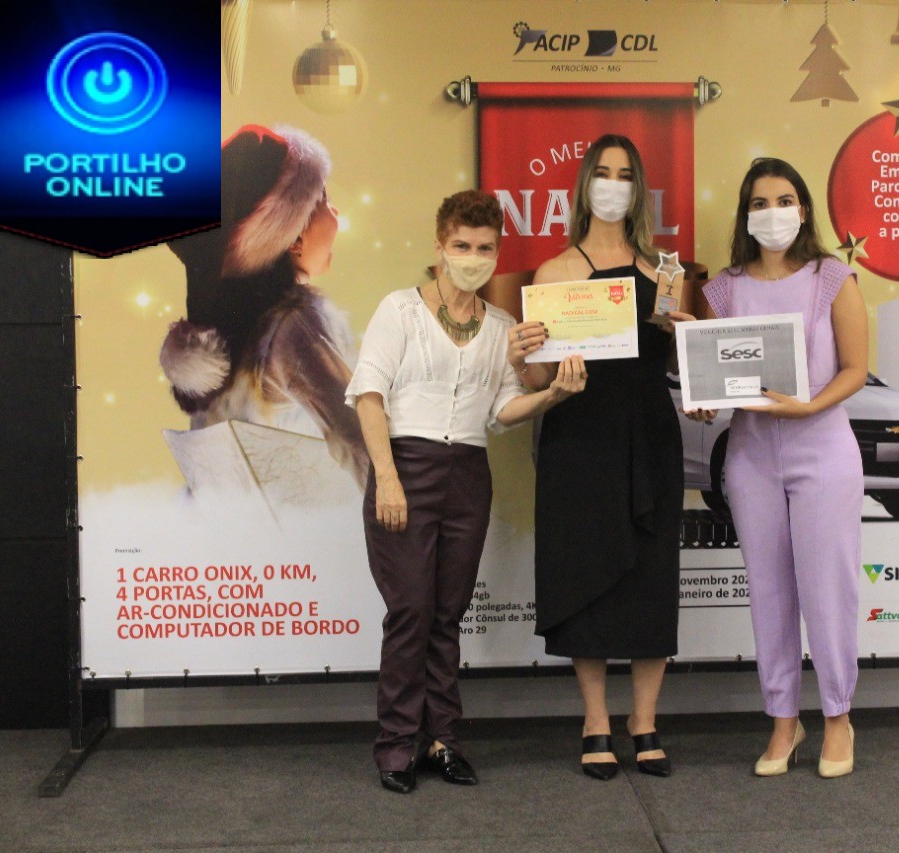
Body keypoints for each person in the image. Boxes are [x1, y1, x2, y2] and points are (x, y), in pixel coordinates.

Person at [346, 190, 587, 795]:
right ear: (439, 247)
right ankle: (397, 743)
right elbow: (369, 395)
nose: (473, 257)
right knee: (410, 612)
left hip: (468, 475)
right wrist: (388, 477)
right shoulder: (400, 310)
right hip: (405, 466)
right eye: (462, 245)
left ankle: (443, 740)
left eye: (484, 248)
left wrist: (553, 395)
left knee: (446, 615)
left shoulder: (502, 327)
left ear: (496, 252)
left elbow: (504, 410)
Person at [515, 134, 689, 780]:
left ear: (639, 190)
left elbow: (680, 368)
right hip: (579, 442)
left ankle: (644, 721)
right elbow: (538, 382)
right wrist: (523, 357)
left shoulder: (666, 272)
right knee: (583, 575)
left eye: (625, 174)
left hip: (651, 438)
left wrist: (688, 343)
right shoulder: (554, 273)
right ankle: (595, 721)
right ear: (584, 185)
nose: (613, 185)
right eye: (603, 173)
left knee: (651, 576)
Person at [690, 158, 868, 778]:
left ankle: (839, 716)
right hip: (752, 457)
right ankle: (783, 721)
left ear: (804, 208)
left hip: (824, 450)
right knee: (768, 591)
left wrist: (809, 405)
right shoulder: (723, 290)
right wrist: (703, 396)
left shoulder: (832, 278)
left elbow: (855, 368)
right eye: (760, 203)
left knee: (828, 588)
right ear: (745, 215)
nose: (773, 213)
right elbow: (717, 376)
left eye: (784, 200)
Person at [159, 124, 369, 489]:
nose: (335, 212)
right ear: (294, 235)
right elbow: (358, 439)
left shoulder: (231, 331)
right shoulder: (295, 323)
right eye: (323, 199)